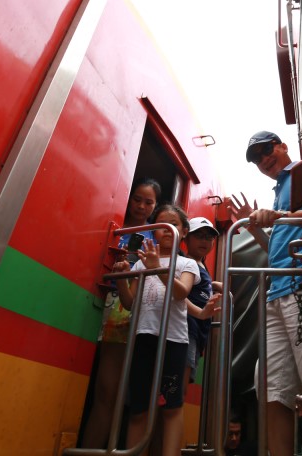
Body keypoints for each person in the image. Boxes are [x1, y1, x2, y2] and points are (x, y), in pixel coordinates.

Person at [231, 130, 302, 456]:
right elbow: (273, 252)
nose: (263, 159)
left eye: (266, 150)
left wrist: (277, 216)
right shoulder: (278, 192)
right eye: (256, 158)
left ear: (283, 146)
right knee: (271, 388)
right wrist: (257, 226)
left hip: (298, 287)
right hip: (276, 291)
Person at [82, 178, 161, 448]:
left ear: (155, 206)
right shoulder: (112, 221)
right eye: (137, 199)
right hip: (106, 302)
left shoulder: (155, 237)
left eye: (148, 202)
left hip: (125, 307)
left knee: (113, 391)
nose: (141, 206)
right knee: (105, 391)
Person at [113, 204, 198, 456]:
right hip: (144, 336)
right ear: (154, 232)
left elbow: (181, 292)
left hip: (173, 340)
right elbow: (130, 303)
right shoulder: (141, 264)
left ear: (183, 231)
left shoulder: (186, 263)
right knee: (139, 407)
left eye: (173, 224)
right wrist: (121, 279)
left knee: (171, 407)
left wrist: (158, 268)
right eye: (161, 225)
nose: (167, 230)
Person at [183, 217, 223, 386]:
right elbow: (176, 293)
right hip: (186, 328)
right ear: (186, 237)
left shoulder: (201, 265)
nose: (204, 241)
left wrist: (212, 284)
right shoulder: (186, 262)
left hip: (198, 332)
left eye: (209, 237)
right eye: (199, 235)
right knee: (177, 388)